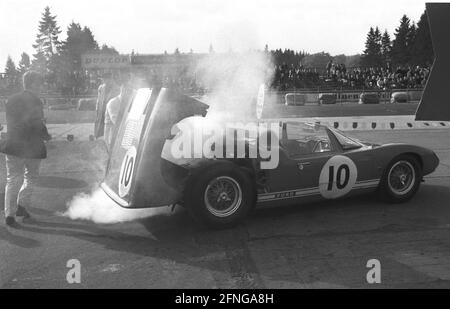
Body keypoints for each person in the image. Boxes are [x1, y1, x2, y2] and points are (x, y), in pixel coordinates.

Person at [0, 71, 51, 227]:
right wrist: (46, 135)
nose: (41, 86)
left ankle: (9, 214)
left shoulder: (11, 99)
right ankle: (21, 206)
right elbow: (36, 122)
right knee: (31, 177)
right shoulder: (35, 101)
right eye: (40, 83)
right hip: (32, 146)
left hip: (13, 144)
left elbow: (12, 121)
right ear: (33, 83)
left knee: (13, 179)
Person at [104, 77, 134, 149]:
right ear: (123, 90)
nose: (131, 95)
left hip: (122, 136)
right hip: (112, 137)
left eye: (131, 92)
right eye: (129, 91)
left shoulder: (129, 102)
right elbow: (116, 122)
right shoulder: (113, 103)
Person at [94, 72, 119, 139]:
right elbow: (98, 100)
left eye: (106, 79)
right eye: (103, 79)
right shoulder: (101, 88)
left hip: (110, 111)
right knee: (99, 128)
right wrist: (97, 109)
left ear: (111, 79)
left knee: (109, 129)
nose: (104, 81)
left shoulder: (117, 88)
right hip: (101, 111)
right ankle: (98, 139)